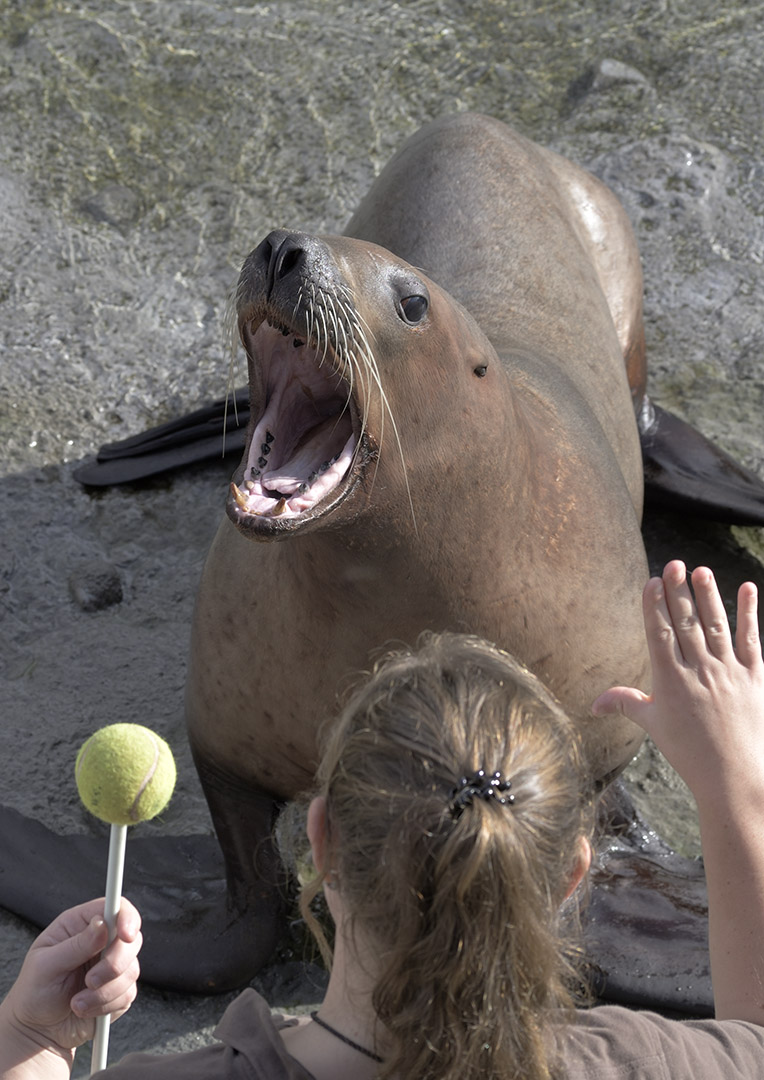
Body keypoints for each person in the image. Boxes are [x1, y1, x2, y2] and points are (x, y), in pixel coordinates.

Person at [3, 559, 764, 1079]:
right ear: (571, 876)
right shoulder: (644, 1062)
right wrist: (736, 784)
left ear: (321, 839)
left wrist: (29, 1040)